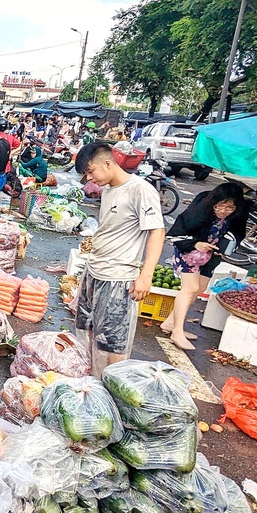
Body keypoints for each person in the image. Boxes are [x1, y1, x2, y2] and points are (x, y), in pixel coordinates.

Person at [73, 142, 166, 377]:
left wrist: (146, 276)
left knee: (113, 342)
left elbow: (156, 231)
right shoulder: (108, 190)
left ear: (107, 163)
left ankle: (109, 393)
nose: (89, 178)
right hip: (94, 271)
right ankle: (91, 385)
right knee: (89, 332)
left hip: (118, 278)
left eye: (91, 171)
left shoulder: (140, 190)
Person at [161, 183, 249, 350]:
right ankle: (177, 332)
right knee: (190, 287)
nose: (223, 211)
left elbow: (238, 234)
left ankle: (170, 323)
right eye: (220, 206)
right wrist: (196, 244)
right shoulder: (200, 208)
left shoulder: (238, 215)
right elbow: (177, 233)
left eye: (229, 207)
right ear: (213, 203)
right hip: (188, 251)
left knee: (200, 287)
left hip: (210, 256)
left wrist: (224, 247)